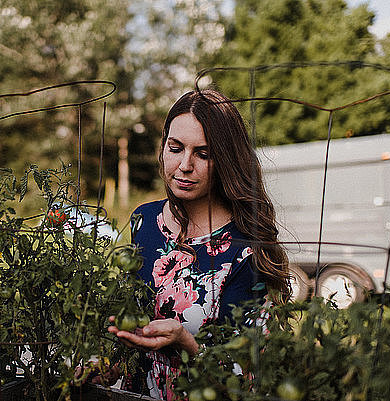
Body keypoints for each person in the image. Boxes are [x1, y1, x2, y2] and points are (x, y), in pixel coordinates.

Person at [107, 89, 290, 400]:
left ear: (226, 161)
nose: (185, 165)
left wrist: (187, 343)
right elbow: (128, 320)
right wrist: (106, 363)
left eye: (203, 154)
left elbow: (249, 377)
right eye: (175, 148)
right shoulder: (144, 221)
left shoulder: (246, 251)